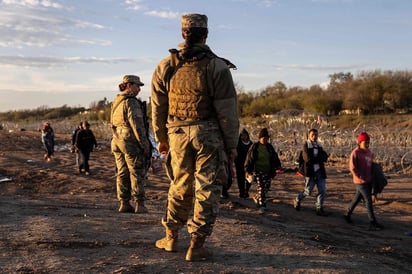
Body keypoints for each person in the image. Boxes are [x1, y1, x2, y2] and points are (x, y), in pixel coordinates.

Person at [151, 13, 239, 262]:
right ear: (206, 34)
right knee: (207, 190)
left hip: (176, 133)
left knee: (179, 184)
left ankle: (170, 237)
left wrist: (161, 137)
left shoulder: (165, 66)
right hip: (208, 135)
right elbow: (227, 110)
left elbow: (157, 107)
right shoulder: (217, 66)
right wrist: (231, 144)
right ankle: (196, 245)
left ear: (182, 34)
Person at [111, 75, 151, 214]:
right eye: (137, 85)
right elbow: (137, 125)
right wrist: (145, 144)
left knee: (122, 172)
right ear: (128, 85)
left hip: (117, 140)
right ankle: (139, 204)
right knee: (136, 172)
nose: (139, 89)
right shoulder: (131, 102)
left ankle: (124, 203)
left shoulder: (117, 101)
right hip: (129, 141)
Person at [344, 132, 384, 231]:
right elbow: (352, 168)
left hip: (369, 180)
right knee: (368, 201)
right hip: (360, 182)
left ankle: (347, 214)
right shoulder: (355, 152)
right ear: (360, 142)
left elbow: (370, 165)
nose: (367, 144)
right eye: (365, 142)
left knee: (357, 199)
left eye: (368, 142)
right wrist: (360, 177)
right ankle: (372, 222)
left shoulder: (369, 152)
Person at [244, 128, 281, 213]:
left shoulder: (269, 147)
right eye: (263, 138)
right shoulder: (255, 147)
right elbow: (249, 159)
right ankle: (262, 205)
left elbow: (274, 157)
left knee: (266, 187)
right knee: (261, 187)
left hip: (268, 171)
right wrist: (247, 170)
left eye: (266, 138)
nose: (265, 140)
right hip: (258, 170)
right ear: (259, 138)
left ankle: (257, 197)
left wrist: (278, 166)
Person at [293, 128, 329, 216]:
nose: (314, 136)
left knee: (322, 191)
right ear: (308, 136)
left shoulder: (319, 146)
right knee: (308, 191)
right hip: (310, 172)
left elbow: (325, 157)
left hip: (320, 171)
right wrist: (319, 159)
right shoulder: (306, 146)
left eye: (316, 135)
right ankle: (297, 199)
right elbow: (307, 159)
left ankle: (319, 207)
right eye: (312, 135)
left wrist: (317, 159)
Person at [235, 128, 253, 198]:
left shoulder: (251, 143)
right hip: (240, 163)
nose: (244, 137)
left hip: (249, 163)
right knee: (241, 179)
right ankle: (242, 192)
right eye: (242, 135)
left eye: (245, 135)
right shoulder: (238, 143)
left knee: (249, 178)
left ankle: (246, 190)